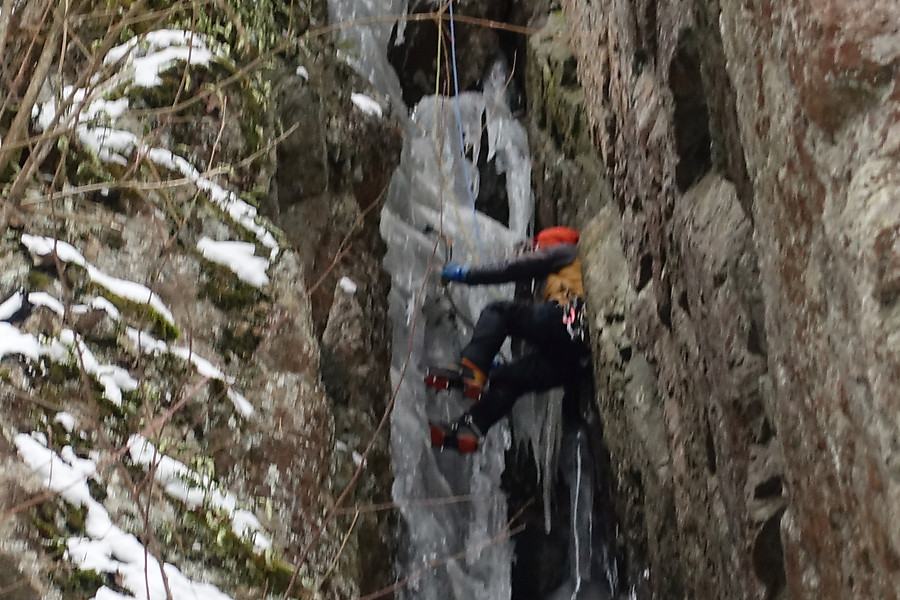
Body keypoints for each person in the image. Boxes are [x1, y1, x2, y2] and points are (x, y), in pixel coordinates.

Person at [426, 225, 591, 453]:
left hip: (569, 318)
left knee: (499, 312)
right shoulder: (561, 277)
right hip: (577, 360)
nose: (534, 251)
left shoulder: (567, 252)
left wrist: (468, 275)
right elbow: (545, 338)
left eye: (537, 248)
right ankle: (469, 428)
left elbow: (514, 268)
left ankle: (471, 368)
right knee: (509, 379)